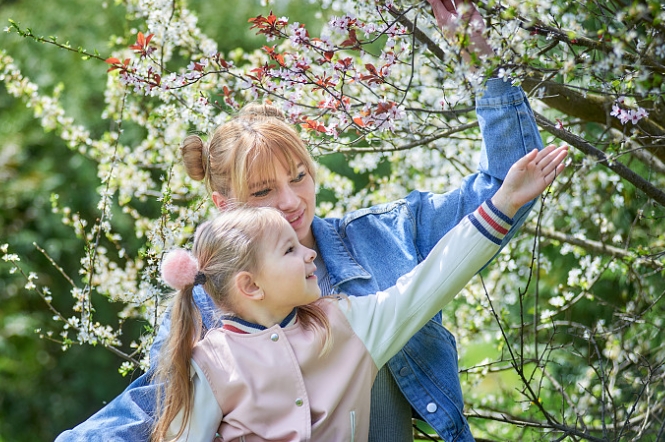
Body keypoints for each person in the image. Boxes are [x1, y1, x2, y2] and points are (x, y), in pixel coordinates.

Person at [56, 1, 555, 441]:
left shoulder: (385, 237)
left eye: (299, 176)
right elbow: (155, 408)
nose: (292, 201)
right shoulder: (208, 304)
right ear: (223, 202)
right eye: (263, 191)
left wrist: (485, 66)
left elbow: (509, 189)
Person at [153, 141, 566, 441]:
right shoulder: (208, 364)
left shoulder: (350, 323)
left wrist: (504, 203)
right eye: (290, 250)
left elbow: (435, 279)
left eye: (300, 177)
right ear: (249, 284)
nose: (311, 254)